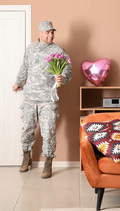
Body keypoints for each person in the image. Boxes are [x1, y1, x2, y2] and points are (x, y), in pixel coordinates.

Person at [12, 21, 72, 178]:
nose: (50, 35)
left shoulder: (58, 50)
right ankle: (26, 156)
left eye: (52, 32)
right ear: (40, 32)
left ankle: (48, 162)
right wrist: (18, 82)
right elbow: (24, 67)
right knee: (27, 129)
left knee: (49, 132)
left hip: (48, 99)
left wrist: (62, 78)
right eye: (47, 32)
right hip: (30, 98)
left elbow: (68, 70)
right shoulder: (31, 49)